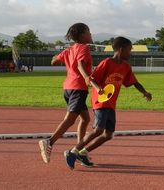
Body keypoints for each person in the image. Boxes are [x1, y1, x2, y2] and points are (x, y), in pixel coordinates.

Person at [64, 36, 152, 170]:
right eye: (129, 50)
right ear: (121, 49)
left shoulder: (125, 67)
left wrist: (145, 92)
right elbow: (91, 79)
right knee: (98, 129)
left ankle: (83, 152)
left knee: (108, 134)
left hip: (111, 104)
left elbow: (134, 82)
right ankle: (73, 151)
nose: (131, 53)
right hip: (100, 101)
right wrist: (98, 89)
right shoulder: (106, 63)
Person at [39, 23, 93, 164]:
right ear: (82, 35)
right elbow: (80, 64)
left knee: (85, 119)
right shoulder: (84, 48)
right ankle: (49, 142)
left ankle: (80, 150)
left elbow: (53, 61)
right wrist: (86, 76)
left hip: (68, 89)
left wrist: (57, 57)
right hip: (78, 88)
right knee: (70, 120)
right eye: (89, 32)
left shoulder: (70, 50)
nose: (91, 34)